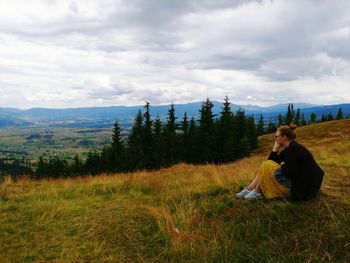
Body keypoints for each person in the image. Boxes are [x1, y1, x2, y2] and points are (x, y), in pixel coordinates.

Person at [236, 124, 324, 201]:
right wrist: (275, 148)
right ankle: (251, 189)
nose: (275, 139)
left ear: (284, 137)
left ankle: (256, 191)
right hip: (302, 184)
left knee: (266, 166)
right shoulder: (290, 147)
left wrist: (280, 167)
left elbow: (290, 172)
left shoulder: (294, 149)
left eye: (277, 136)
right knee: (266, 165)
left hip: (303, 189)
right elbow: (272, 161)